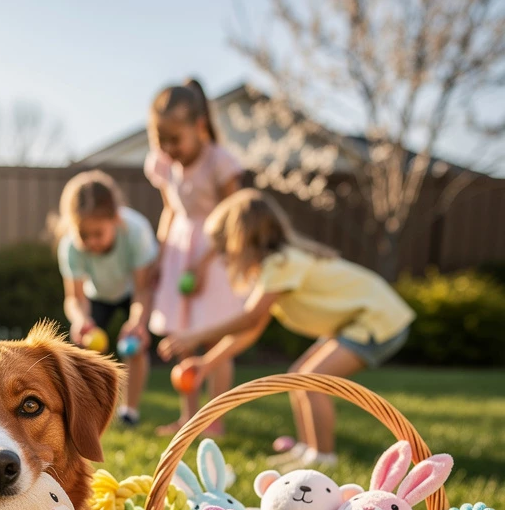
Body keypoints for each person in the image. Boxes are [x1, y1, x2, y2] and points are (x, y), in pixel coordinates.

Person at [159, 189, 414, 469]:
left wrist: (194, 336)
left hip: (377, 320)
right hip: (359, 321)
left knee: (313, 379)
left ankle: (324, 458)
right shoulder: (277, 267)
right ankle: (308, 452)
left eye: (224, 247)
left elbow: (250, 318)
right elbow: (253, 329)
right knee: (300, 377)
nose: (222, 257)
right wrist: (208, 363)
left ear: (241, 240)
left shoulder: (281, 263)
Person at [145, 79, 245, 437]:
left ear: (199, 126)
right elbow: (170, 210)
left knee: (216, 339)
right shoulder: (165, 164)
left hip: (214, 253)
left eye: (176, 140)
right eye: (162, 141)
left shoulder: (220, 161)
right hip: (178, 251)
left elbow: (234, 217)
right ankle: (190, 419)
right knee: (183, 336)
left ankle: (214, 420)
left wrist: (204, 263)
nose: (169, 149)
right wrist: (158, 255)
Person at [55, 170, 158, 426]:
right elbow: (74, 298)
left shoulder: (136, 232)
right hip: (97, 294)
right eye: (83, 235)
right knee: (80, 349)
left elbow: (144, 288)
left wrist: (137, 321)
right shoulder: (69, 246)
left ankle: (129, 411)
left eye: (98, 233)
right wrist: (81, 320)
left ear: (115, 219)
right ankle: (86, 413)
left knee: (136, 344)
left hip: (132, 292)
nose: (91, 241)